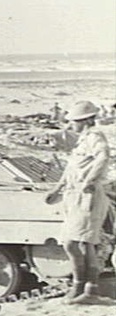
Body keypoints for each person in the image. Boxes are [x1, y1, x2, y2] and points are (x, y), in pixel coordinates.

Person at [45, 100, 111, 304]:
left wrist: (90, 181)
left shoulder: (94, 136)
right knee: (76, 243)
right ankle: (84, 287)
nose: (71, 125)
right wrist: (57, 188)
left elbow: (103, 157)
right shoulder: (82, 140)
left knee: (79, 243)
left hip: (88, 196)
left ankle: (84, 288)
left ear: (85, 121)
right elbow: (72, 168)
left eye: (74, 121)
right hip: (73, 195)